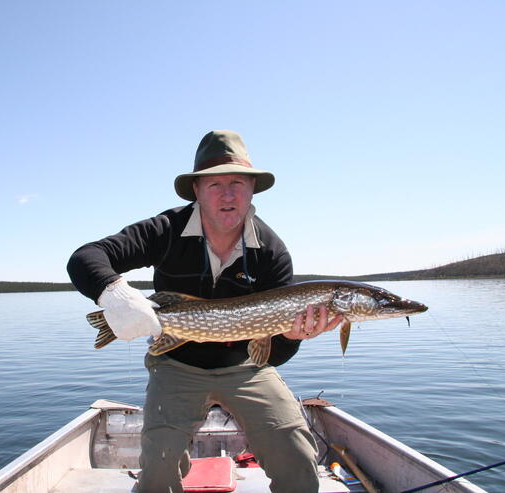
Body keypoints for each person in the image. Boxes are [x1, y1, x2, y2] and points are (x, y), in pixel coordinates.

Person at [67, 130, 343, 493]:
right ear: (196, 190)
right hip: (176, 363)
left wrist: (290, 337)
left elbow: (273, 352)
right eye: (215, 184)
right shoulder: (165, 230)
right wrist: (115, 294)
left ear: (252, 190)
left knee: (297, 459)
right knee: (158, 472)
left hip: (246, 367)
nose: (227, 195)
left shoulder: (271, 252)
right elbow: (86, 257)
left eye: (237, 183)